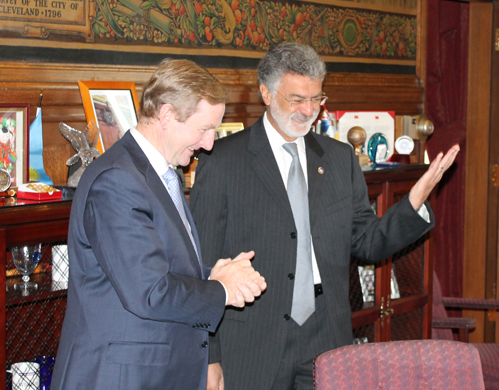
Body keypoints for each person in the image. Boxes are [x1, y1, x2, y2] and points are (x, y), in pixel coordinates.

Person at [190, 42, 460, 390]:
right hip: (251, 340)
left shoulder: (338, 158)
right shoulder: (223, 160)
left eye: (317, 99)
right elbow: (202, 267)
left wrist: (414, 202)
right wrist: (210, 357)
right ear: (266, 93)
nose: (308, 111)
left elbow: (368, 242)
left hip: (326, 334)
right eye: (296, 99)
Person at [51, 59, 266, 390]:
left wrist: (212, 273)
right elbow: (149, 291)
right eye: (204, 129)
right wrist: (222, 288)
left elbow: (160, 264)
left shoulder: (163, 174)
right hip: (120, 378)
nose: (209, 144)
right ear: (167, 116)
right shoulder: (117, 180)